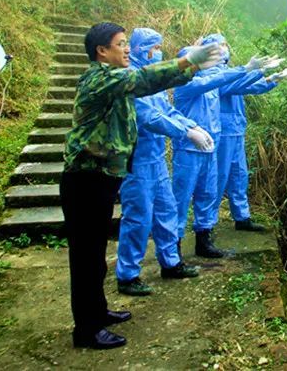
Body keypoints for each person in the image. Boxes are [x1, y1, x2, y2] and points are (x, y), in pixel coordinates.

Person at [61, 22, 221, 350]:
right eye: (120, 44)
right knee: (86, 256)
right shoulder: (99, 78)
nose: (126, 50)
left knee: (94, 255)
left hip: (102, 177)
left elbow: (148, 88)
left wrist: (188, 65)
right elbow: (143, 78)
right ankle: (86, 330)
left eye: (126, 43)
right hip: (85, 179)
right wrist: (185, 60)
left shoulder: (115, 82)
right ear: (101, 51)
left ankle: (98, 312)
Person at [115, 28, 209, 297]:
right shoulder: (132, 79)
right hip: (138, 159)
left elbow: (167, 111)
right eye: (155, 47)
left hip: (156, 158)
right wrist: (184, 133)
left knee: (166, 211)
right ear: (143, 48)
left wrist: (191, 126)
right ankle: (128, 274)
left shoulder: (153, 81)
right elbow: (148, 117)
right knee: (138, 218)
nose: (159, 51)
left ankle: (171, 262)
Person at [171, 47, 276, 258]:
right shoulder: (187, 83)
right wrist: (250, 69)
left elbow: (229, 82)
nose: (220, 56)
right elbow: (218, 82)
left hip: (212, 141)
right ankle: (173, 249)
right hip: (190, 147)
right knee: (182, 197)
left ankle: (204, 239)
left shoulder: (214, 79)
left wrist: (270, 77)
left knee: (209, 191)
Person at [201, 33, 278, 232]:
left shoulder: (229, 71)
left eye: (226, 44)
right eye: (220, 45)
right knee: (219, 177)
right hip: (223, 132)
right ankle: (207, 224)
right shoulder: (212, 73)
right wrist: (257, 71)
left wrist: (272, 79)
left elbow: (248, 87)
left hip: (236, 130)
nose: (225, 48)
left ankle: (242, 217)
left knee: (239, 175)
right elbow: (233, 86)